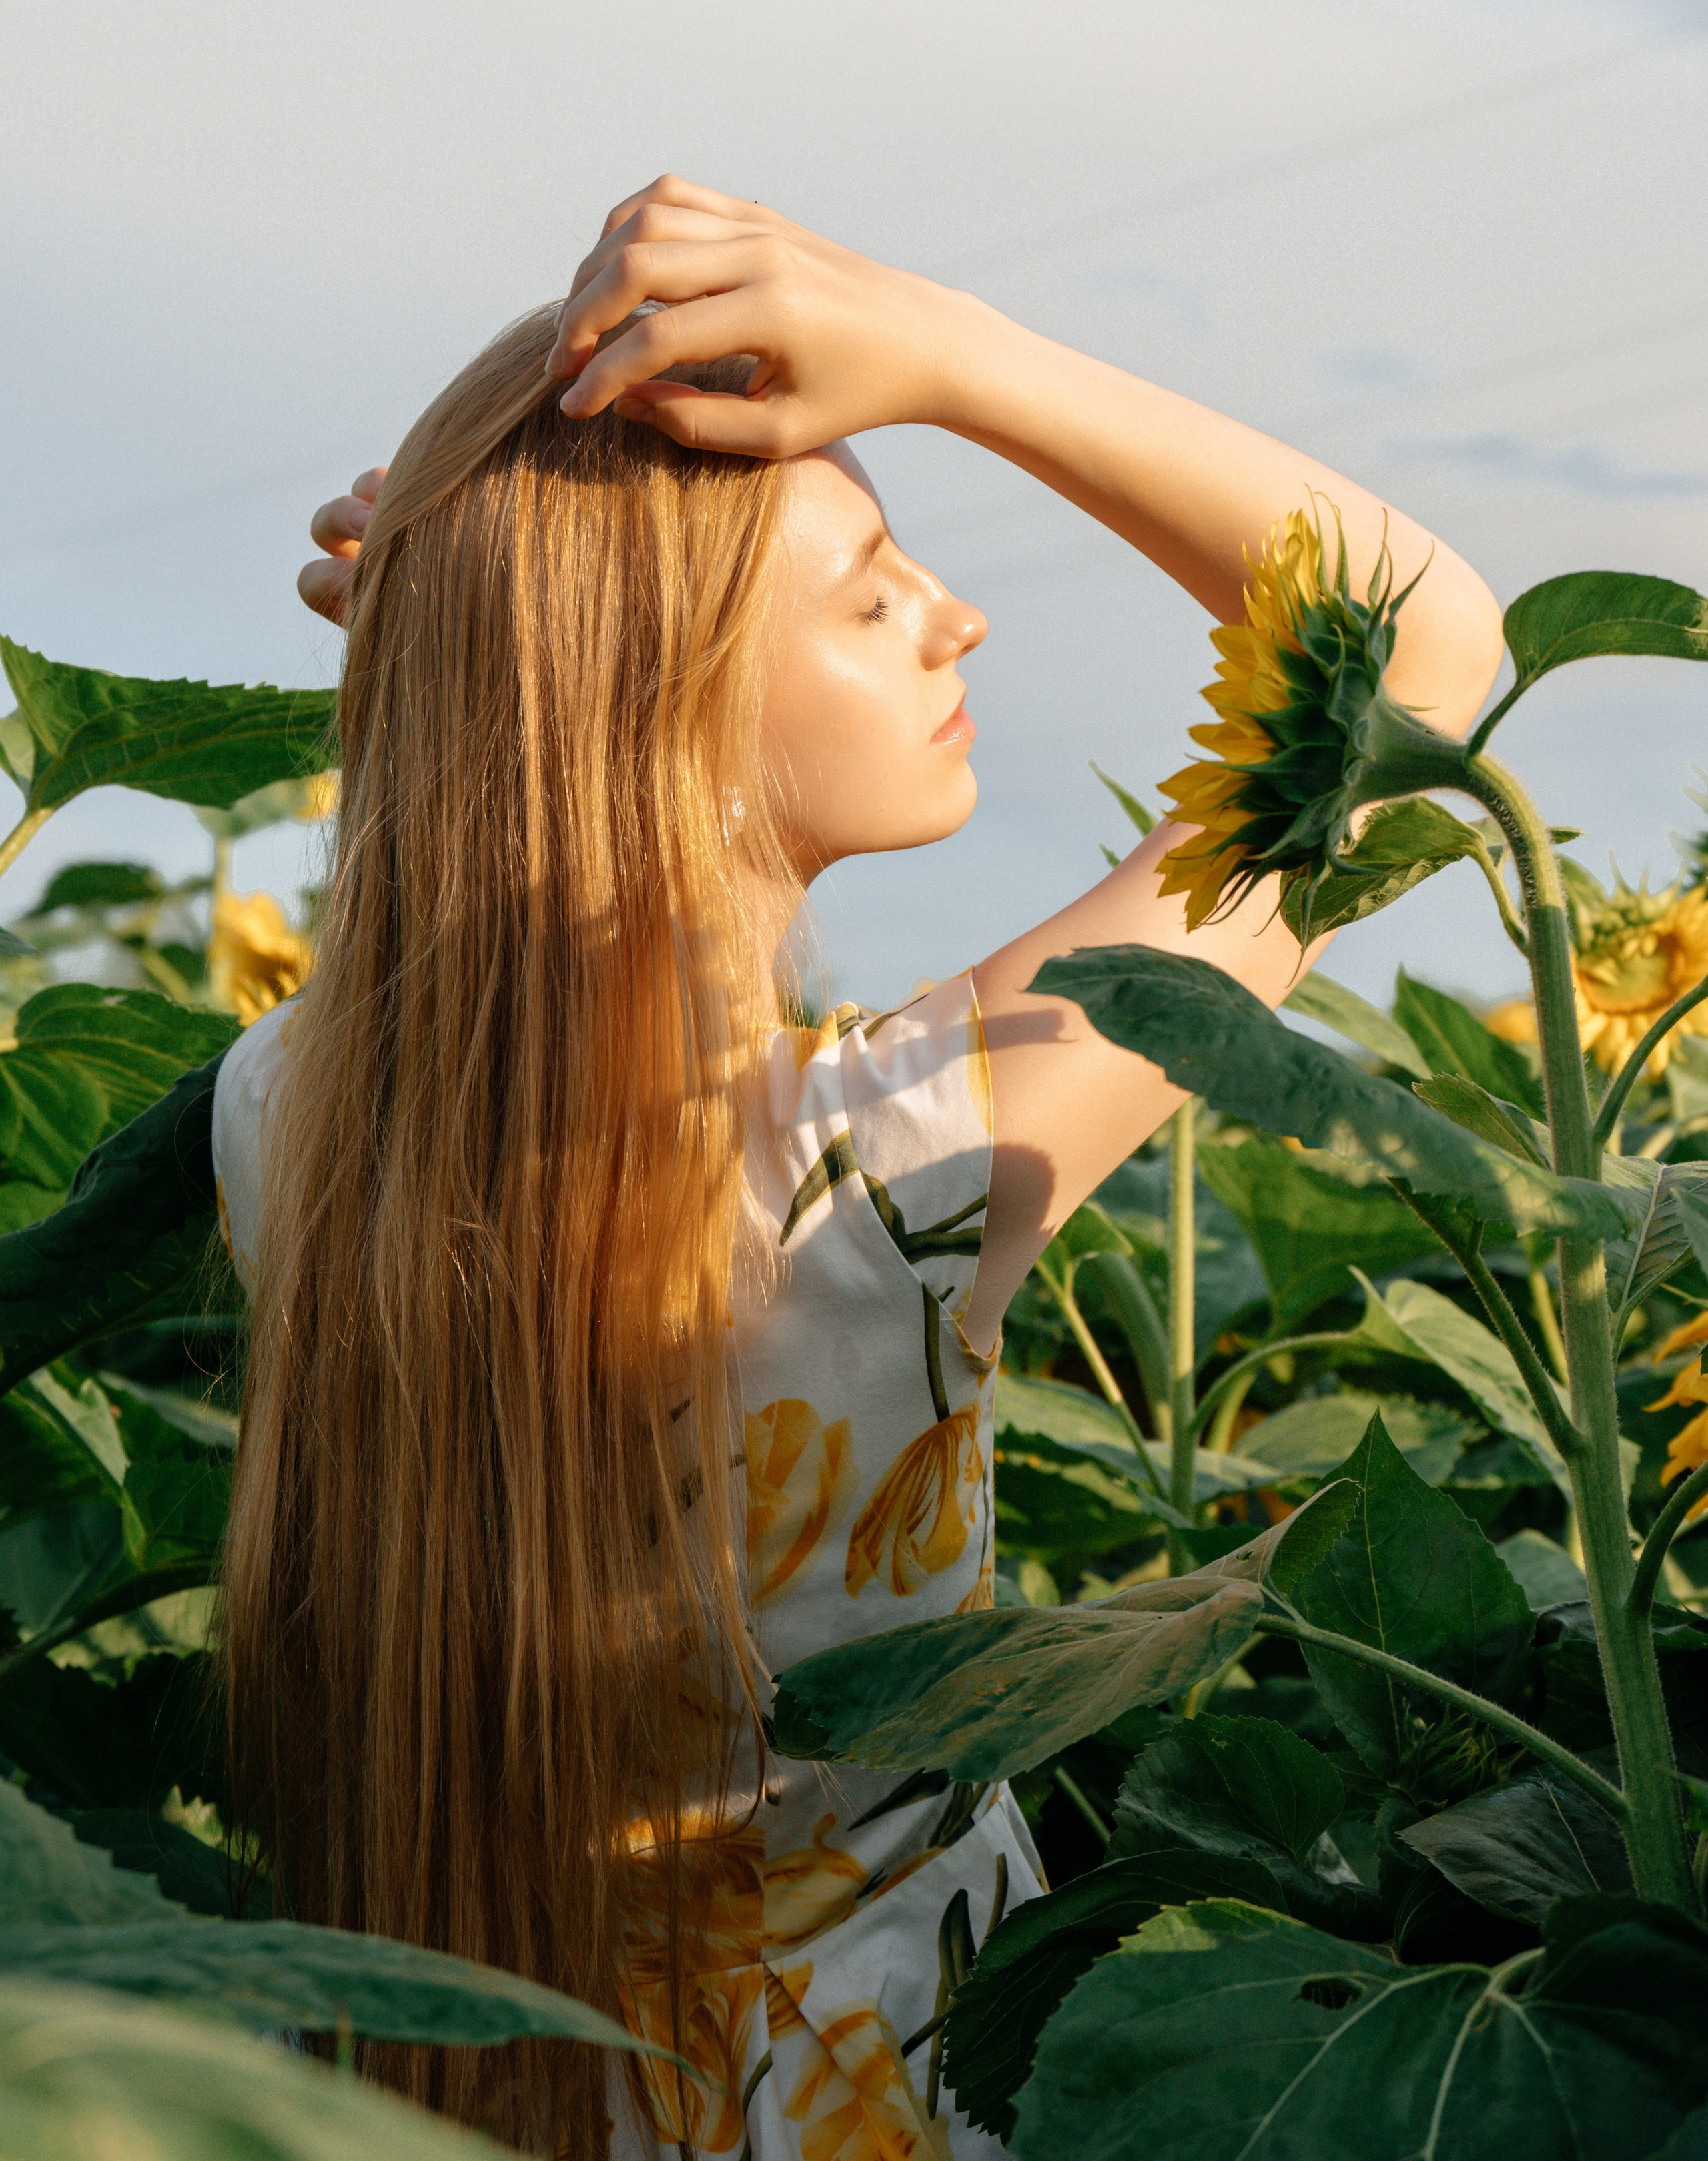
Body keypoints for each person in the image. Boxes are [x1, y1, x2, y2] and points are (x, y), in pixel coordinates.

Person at [214, 175, 1504, 2159]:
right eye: (873, 587)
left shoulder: (287, 1117)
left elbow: (502, 821)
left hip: (460, 2089)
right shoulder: (907, 1167)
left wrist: (484, 627)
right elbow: (1421, 656)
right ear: (669, 712)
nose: (954, 615)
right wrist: (950, 350)